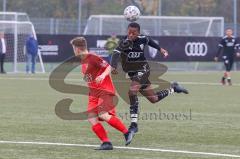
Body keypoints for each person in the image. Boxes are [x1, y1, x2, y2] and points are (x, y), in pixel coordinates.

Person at [111, 22, 189, 137]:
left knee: (132, 91)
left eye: (134, 33)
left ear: (138, 33)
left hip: (143, 70)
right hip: (133, 74)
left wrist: (161, 50)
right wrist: (113, 65)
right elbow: (116, 53)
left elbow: (151, 42)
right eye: (129, 32)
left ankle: (134, 124)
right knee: (154, 98)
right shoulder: (123, 42)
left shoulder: (143, 39)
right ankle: (174, 88)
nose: (131, 35)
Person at [70, 37, 133, 150]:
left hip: (105, 91)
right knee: (91, 118)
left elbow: (109, 66)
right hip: (94, 94)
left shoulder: (92, 57)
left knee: (102, 114)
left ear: (77, 49)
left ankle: (127, 132)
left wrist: (103, 75)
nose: (73, 51)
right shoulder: (84, 60)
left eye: (73, 48)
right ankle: (106, 143)